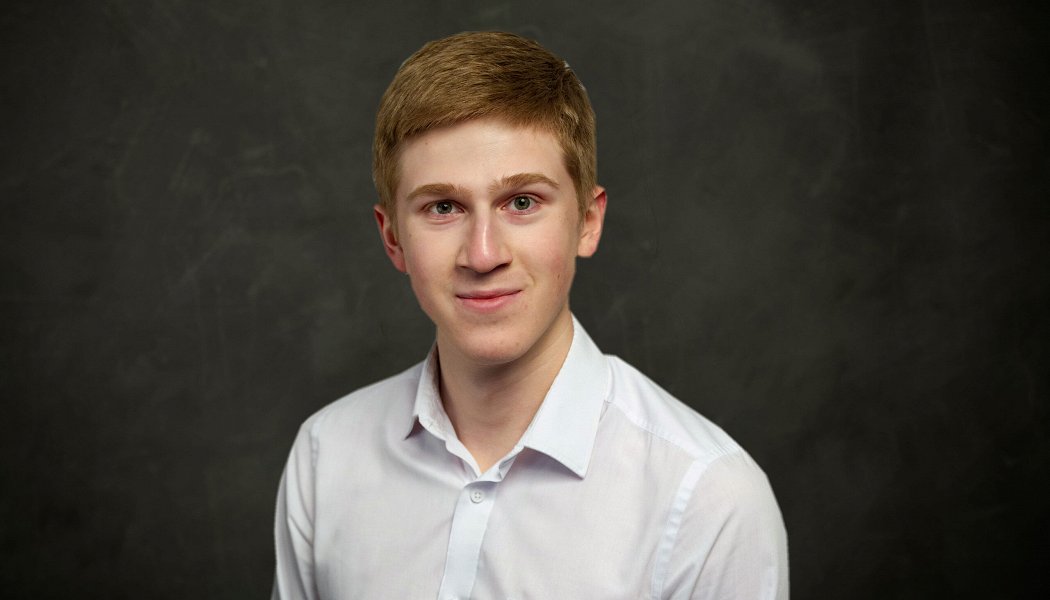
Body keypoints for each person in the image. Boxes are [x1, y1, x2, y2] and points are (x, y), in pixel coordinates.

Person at [273, 31, 788, 599]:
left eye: (522, 202)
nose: (483, 255)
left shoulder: (707, 499)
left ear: (587, 222)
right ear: (393, 238)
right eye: (443, 207)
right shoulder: (325, 456)